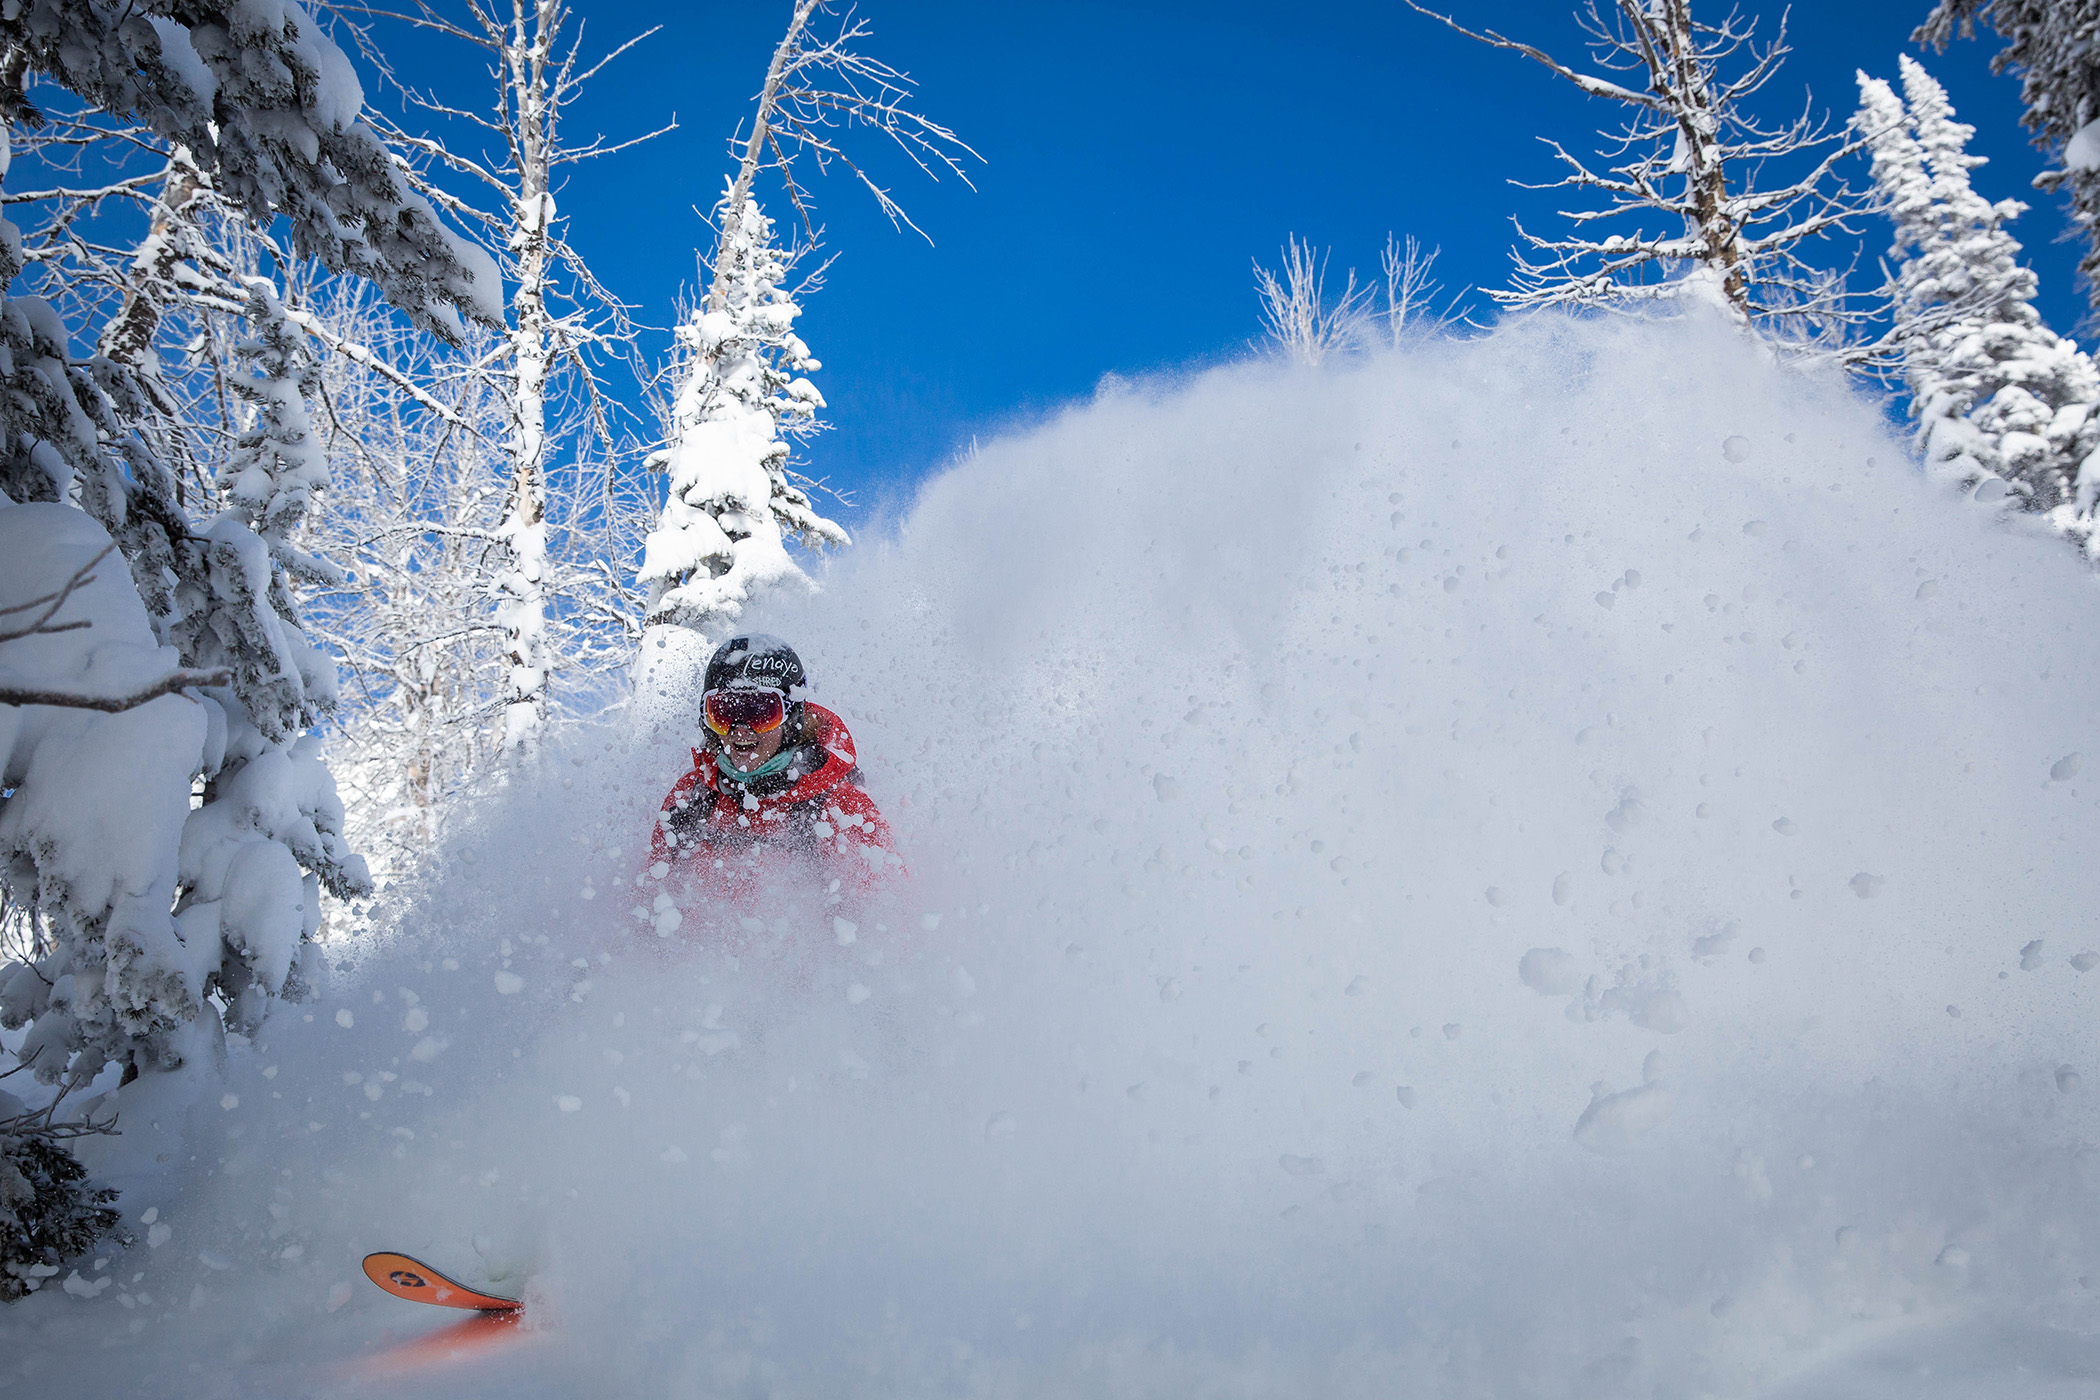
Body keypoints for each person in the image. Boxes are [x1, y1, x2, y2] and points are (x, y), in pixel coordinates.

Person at [649, 635, 898, 902]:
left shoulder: (840, 807)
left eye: (761, 712)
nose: (740, 730)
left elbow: (890, 914)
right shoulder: (692, 796)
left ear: (790, 717)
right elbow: (650, 902)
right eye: (723, 713)